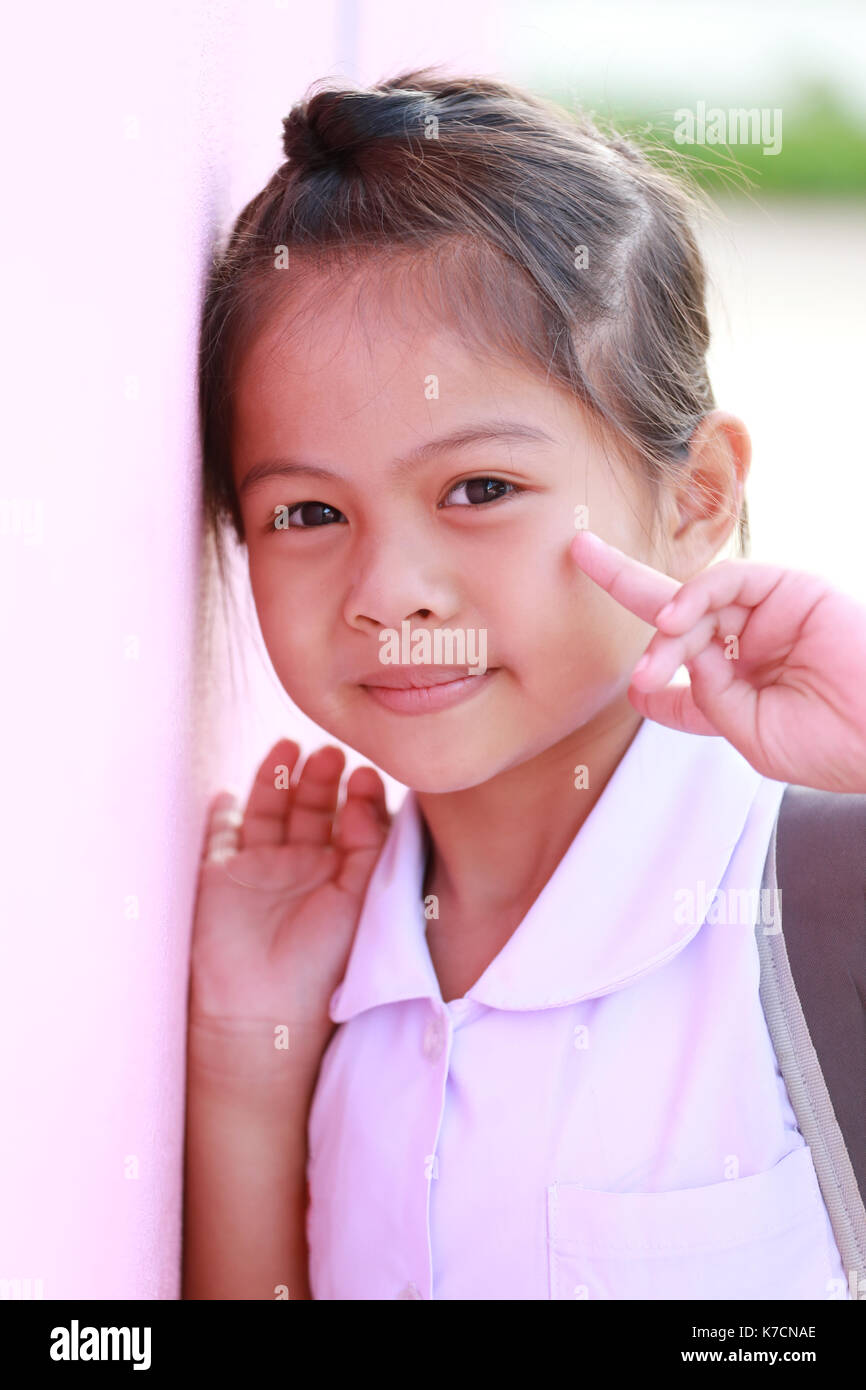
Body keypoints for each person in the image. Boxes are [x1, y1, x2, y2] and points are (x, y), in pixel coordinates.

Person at [183, 67, 866, 1300]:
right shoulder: (334, 976)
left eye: (477, 489)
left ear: (695, 495)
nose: (390, 589)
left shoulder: (811, 891)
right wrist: (244, 1061)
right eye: (306, 510)